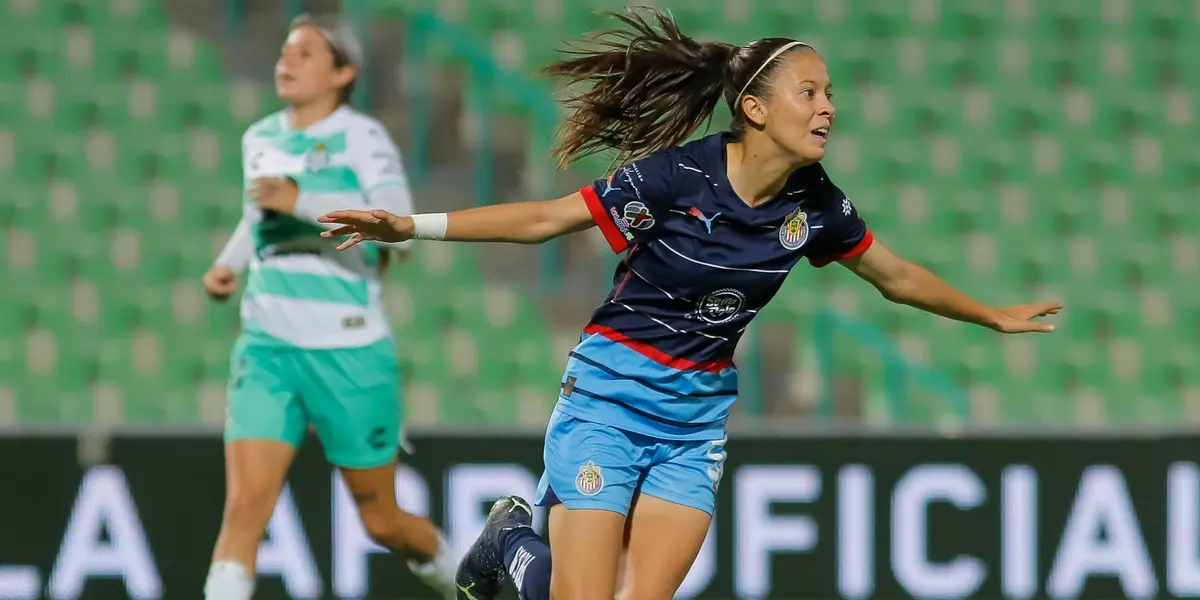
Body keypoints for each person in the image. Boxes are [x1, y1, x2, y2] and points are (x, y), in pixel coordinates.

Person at [318, 8, 1062, 600]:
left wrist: (990, 315)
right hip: (607, 400)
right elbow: (547, 220)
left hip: (693, 422)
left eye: (831, 92)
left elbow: (893, 275)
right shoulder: (676, 178)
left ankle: (509, 543)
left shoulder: (817, 205)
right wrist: (410, 224)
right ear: (756, 108)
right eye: (811, 92)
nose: (829, 107)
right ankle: (511, 539)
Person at [200, 14, 457, 600]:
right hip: (265, 346)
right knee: (242, 512)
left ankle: (466, 578)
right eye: (284, 51)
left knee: (383, 521)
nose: (285, 62)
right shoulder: (259, 136)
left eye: (305, 54)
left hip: (347, 348)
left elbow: (397, 221)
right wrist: (229, 264)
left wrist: (301, 199)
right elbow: (257, 212)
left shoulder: (363, 138)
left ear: (344, 72)